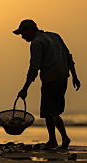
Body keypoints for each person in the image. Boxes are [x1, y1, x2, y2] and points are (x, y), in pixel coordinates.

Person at [13, 19, 81, 149]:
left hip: (50, 80)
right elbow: (68, 57)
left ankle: (52, 141)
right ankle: (65, 138)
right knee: (55, 112)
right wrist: (75, 77)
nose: (22, 37)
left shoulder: (37, 42)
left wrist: (25, 88)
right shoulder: (55, 36)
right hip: (63, 79)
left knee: (48, 112)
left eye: (23, 33)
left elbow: (34, 68)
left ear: (30, 30)